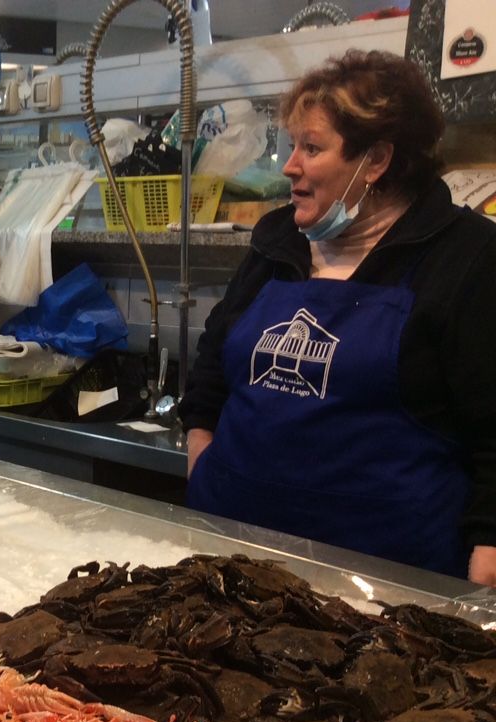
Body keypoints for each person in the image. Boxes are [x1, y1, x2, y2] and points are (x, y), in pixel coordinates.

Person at [179, 50, 496, 584]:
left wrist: (483, 570)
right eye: (292, 145)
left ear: (376, 161)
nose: (289, 165)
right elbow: (213, 366)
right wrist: (203, 462)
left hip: (385, 589)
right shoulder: (278, 239)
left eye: (311, 147)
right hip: (228, 563)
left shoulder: (467, 257)